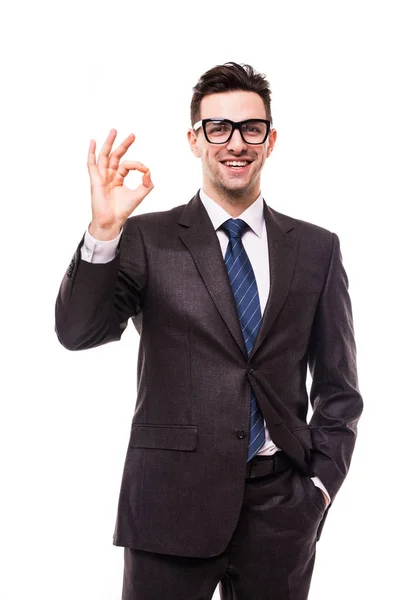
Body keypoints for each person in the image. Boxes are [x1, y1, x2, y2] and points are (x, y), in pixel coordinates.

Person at [55, 62, 363, 600]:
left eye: (251, 128)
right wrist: (104, 231)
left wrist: (318, 488)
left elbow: (339, 388)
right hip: (168, 505)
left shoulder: (317, 249)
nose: (235, 142)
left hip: (281, 512)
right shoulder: (147, 238)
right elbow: (78, 331)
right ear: (195, 139)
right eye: (218, 128)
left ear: (271, 140)